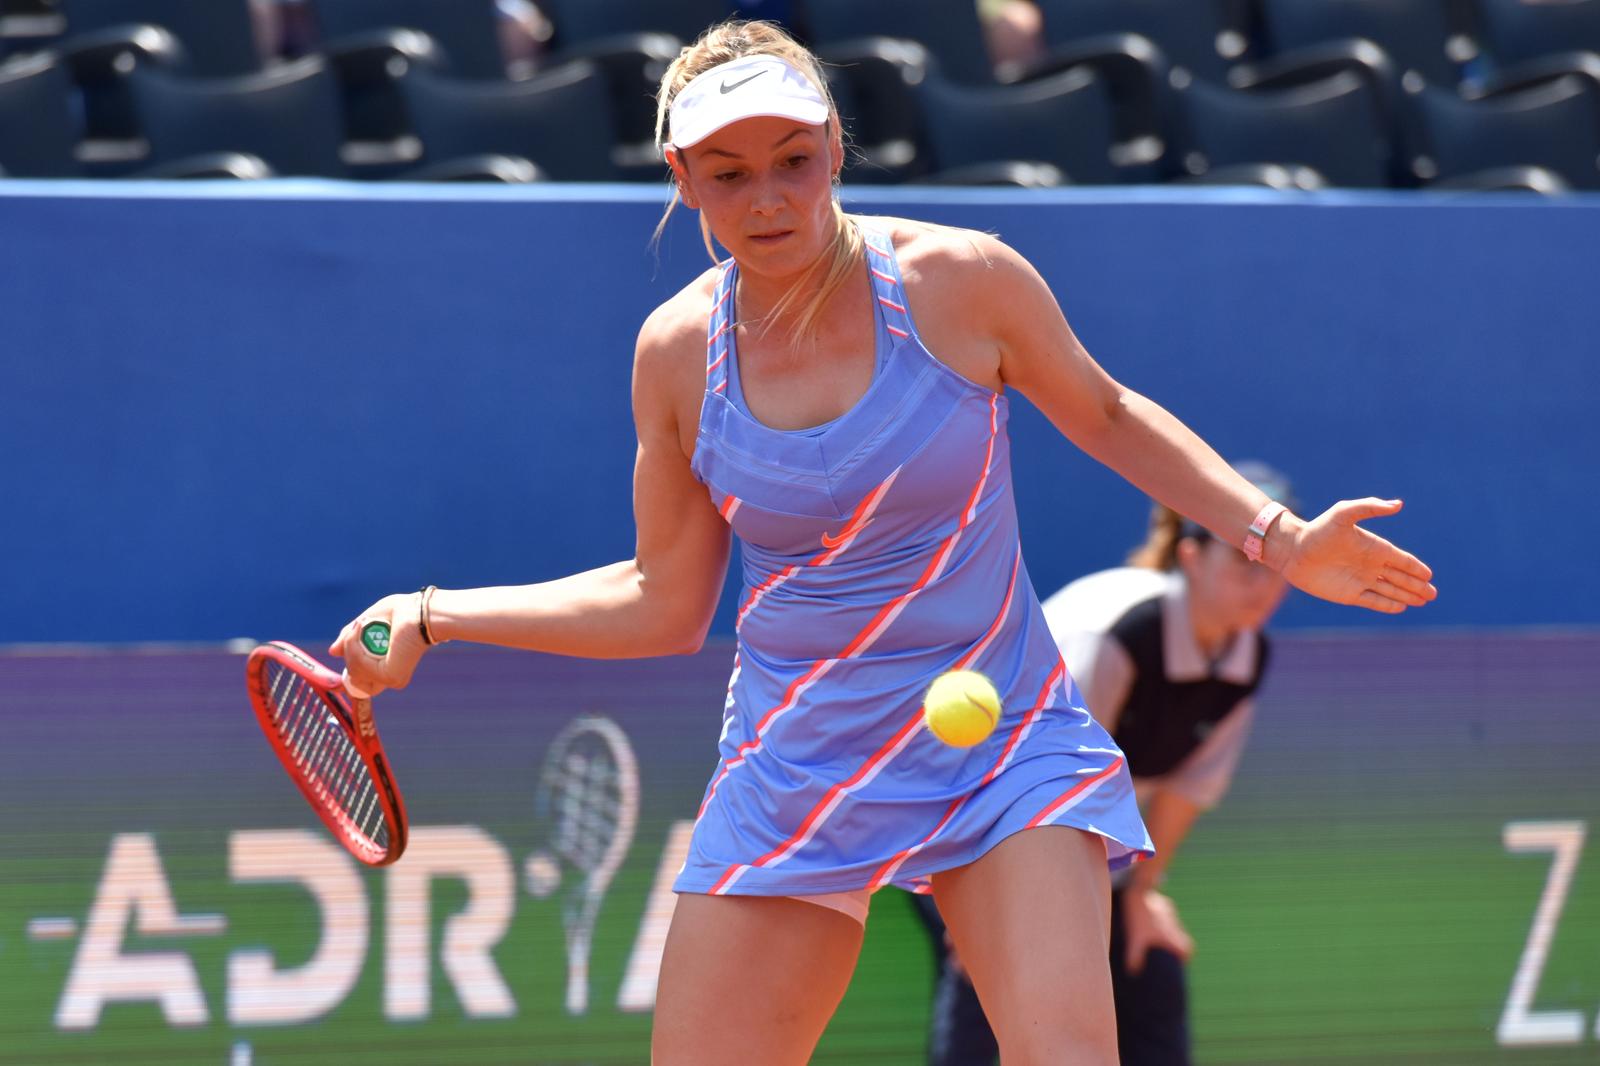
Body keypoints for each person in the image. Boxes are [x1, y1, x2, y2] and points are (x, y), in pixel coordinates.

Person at [329, 20, 1437, 1065]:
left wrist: (1280, 540)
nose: (769, 200)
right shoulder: (674, 356)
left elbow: (1103, 414)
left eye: (794, 160)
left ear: (834, 147)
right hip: (798, 757)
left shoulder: (964, 283)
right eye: (728, 174)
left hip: (1002, 742)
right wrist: (434, 613)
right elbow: (660, 599)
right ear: (682, 181)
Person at [914, 461, 1299, 1066]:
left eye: (1274, 567)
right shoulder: (1115, 634)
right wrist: (994, 903)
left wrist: (1142, 891)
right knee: (995, 983)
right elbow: (1031, 775)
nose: (1265, 585)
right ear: (1192, 558)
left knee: (1153, 965)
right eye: (1246, 563)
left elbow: (1184, 790)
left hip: (1074, 841)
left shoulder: (1246, 656)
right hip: (967, 818)